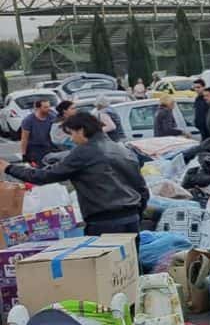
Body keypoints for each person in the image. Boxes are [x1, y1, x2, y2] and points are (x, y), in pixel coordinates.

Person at [1, 112, 149, 235]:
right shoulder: (123, 150)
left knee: (106, 268)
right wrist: (137, 214)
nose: (71, 139)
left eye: (71, 133)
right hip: (131, 218)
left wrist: (9, 168)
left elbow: (44, 176)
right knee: (130, 265)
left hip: (104, 221)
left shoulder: (84, 152)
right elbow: (142, 189)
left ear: (81, 130)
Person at [19, 99, 58, 164]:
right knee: (40, 166)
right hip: (35, 148)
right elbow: (24, 138)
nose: (48, 109)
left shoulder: (52, 117)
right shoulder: (28, 120)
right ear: (38, 108)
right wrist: (24, 154)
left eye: (49, 106)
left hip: (49, 146)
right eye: (45, 107)